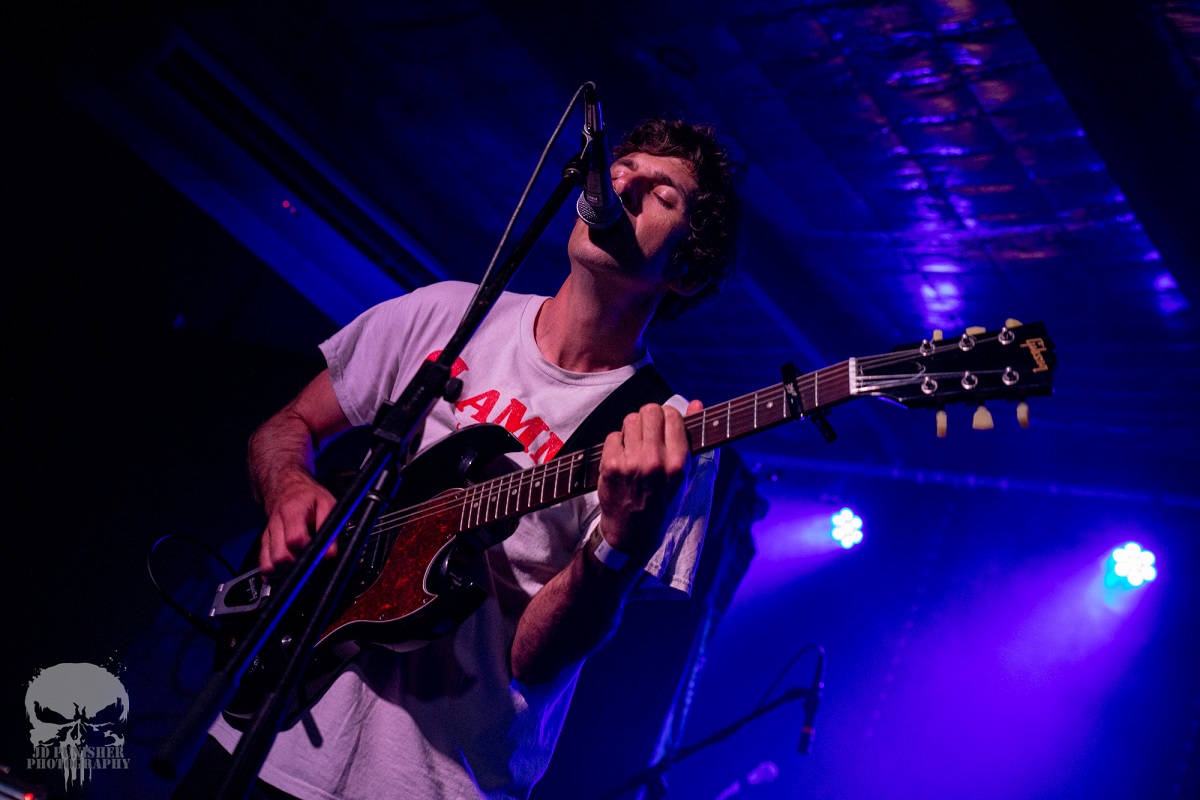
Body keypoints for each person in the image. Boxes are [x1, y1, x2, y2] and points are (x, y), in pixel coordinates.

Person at [173, 117, 741, 799]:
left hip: (432, 781)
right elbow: (286, 426)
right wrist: (290, 487)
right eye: (621, 171)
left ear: (685, 271)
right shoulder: (452, 313)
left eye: (661, 194)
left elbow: (535, 662)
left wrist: (621, 545)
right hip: (270, 727)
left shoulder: (667, 432)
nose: (623, 187)